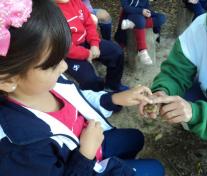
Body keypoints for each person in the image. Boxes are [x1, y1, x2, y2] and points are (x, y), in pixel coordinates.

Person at [0, 0, 165, 175]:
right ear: (7, 81)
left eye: (62, 57)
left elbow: (79, 97)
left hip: (93, 145)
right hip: (84, 162)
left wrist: (114, 98)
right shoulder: (19, 151)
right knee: (156, 168)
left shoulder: (46, 83)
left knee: (136, 138)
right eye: (52, 65)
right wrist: (85, 155)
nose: (64, 67)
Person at [140, 0, 207, 147]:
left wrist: (197, 114)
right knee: (177, 100)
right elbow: (175, 72)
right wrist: (163, 91)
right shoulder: (202, 26)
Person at [56, 0, 128, 92]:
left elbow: (89, 24)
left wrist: (94, 44)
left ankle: (112, 85)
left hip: (85, 41)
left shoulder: (75, 2)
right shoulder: (48, 12)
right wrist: (87, 54)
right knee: (89, 80)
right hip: (67, 54)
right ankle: (99, 95)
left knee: (116, 52)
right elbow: (62, 46)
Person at [115, 0, 166, 65]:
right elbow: (126, 8)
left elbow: (146, 6)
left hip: (142, 14)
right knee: (140, 20)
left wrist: (148, 12)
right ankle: (142, 51)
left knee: (161, 17)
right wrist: (141, 11)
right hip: (130, 14)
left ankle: (132, 24)